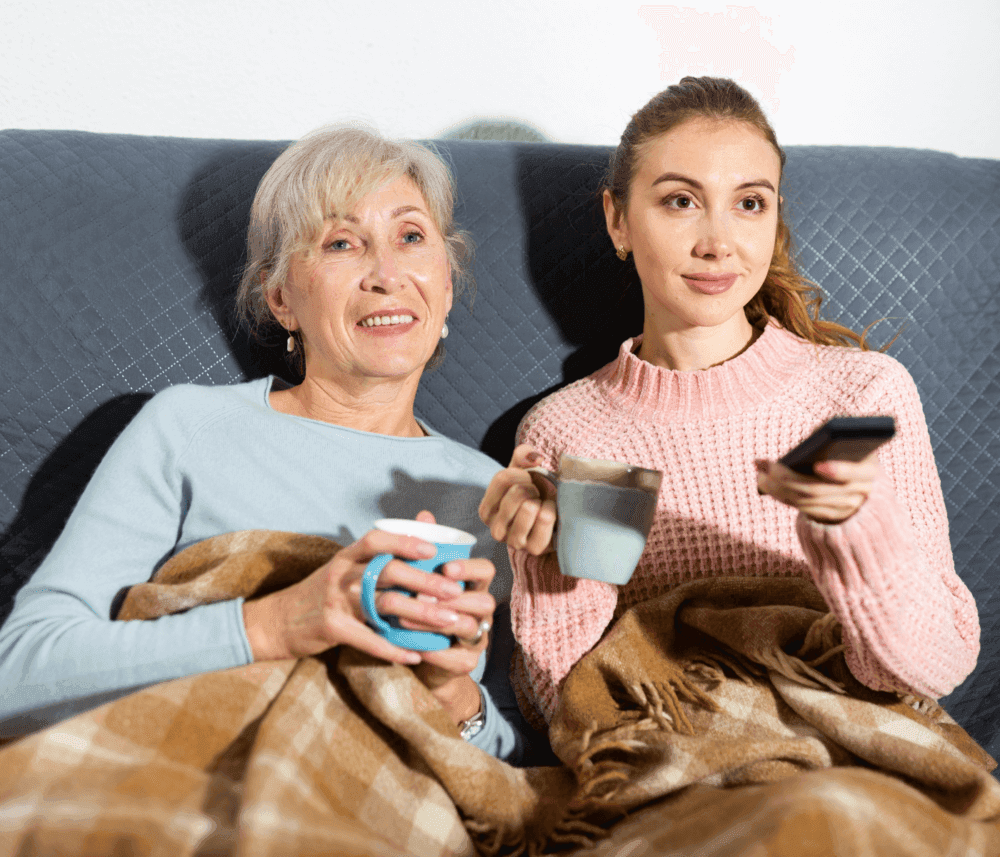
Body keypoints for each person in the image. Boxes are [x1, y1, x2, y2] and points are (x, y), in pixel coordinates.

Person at [0, 125, 538, 764]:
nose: (387, 274)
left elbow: (515, 759)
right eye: (342, 243)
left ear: (445, 283)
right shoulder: (187, 427)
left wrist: (451, 697)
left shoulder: (488, 491)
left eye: (411, 237)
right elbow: (19, 673)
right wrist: (276, 624)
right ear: (281, 298)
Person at [479, 76, 980, 727]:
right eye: (681, 200)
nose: (718, 241)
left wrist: (853, 532)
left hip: (856, 763)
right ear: (618, 220)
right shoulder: (574, 431)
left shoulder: (860, 394)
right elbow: (567, 709)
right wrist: (551, 565)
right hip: (686, 774)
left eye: (748, 204)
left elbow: (933, 669)